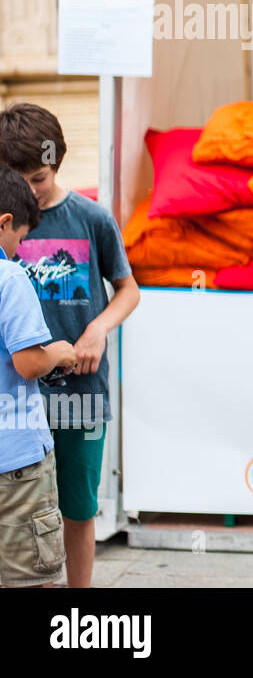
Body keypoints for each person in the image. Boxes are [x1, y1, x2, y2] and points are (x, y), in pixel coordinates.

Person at [0, 104, 139, 590]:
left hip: (79, 394)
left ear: (57, 162)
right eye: (17, 179)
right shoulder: (5, 220)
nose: (29, 192)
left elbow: (128, 289)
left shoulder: (91, 218)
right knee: (19, 509)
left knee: (77, 508)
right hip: (16, 402)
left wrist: (99, 328)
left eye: (38, 178)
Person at [0, 165, 77, 588]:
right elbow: (28, 363)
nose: (18, 249)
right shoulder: (10, 277)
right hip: (16, 467)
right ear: (5, 222)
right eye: (20, 239)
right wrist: (59, 352)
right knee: (31, 578)